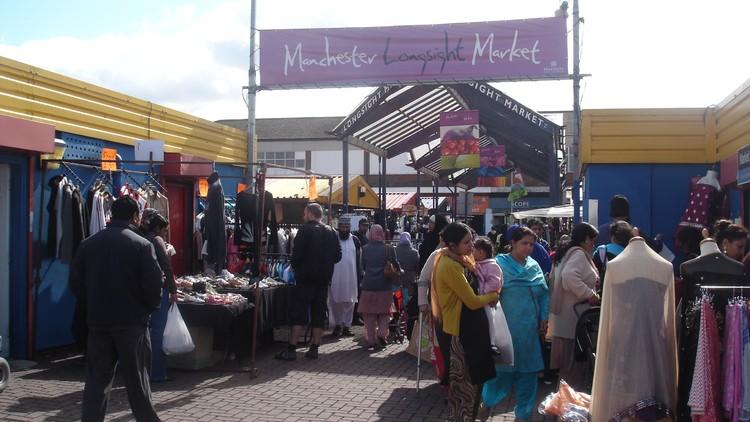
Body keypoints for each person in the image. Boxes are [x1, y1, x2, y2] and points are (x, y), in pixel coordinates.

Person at [69, 196, 163, 422]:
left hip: (98, 322)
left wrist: (92, 304)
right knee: (137, 382)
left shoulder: (88, 244)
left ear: (111, 214)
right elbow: (153, 286)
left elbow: (75, 283)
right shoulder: (142, 245)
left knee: (96, 381)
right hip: (131, 323)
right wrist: (148, 309)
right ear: (135, 216)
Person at [431, 223, 498, 421]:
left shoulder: (457, 260)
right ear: (452, 245)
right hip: (460, 332)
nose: (471, 246)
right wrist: (493, 295)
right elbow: (472, 300)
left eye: (471, 240)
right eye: (466, 242)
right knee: (464, 387)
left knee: (472, 382)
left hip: (468, 329)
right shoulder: (450, 265)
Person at [482, 227, 549, 421]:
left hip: (529, 330)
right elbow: (489, 292)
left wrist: (544, 317)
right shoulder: (499, 264)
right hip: (505, 328)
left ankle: (523, 415)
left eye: (531, 244)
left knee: (528, 376)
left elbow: (544, 293)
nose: (528, 248)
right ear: (513, 243)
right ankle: (487, 403)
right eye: (524, 243)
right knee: (501, 375)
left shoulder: (534, 266)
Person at [276, 203, 341, 361]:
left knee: (298, 314)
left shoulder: (304, 230)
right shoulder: (332, 232)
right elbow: (338, 256)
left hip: (305, 279)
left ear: (310, 214)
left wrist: (298, 268)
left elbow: (296, 255)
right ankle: (314, 347)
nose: (303, 216)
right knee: (319, 313)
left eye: (305, 213)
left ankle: (292, 348)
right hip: (323, 280)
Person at [549, 223, 600, 391]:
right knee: (573, 369)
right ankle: (566, 411)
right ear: (585, 239)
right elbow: (569, 276)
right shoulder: (578, 255)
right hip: (573, 320)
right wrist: (589, 294)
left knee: (568, 371)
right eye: (592, 239)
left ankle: (562, 408)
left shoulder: (568, 253)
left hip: (567, 319)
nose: (594, 243)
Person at [142, 213, 179, 383]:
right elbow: (166, 266)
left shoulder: (141, 238)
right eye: (165, 231)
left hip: (143, 291)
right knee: (158, 332)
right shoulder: (157, 241)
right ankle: (157, 372)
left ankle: (145, 371)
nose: (165, 234)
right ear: (158, 228)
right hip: (158, 290)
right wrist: (173, 289)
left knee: (146, 332)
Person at [360, 224, 401, 351]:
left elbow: (362, 266)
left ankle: (371, 339)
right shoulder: (389, 248)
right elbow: (396, 264)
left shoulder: (365, 248)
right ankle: (382, 334)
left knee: (369, 315)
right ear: (382, 233)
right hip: (385, 285)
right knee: (384, 313)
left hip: (368, 286)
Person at [327, 216, 361, 338]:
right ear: (339, 227)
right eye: (342, 227)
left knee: (350, 302)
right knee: (335, 302)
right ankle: (337, 325)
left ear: (350, 228)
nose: (344, 229)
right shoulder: (332, 239)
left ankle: (347, 326)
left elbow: (359, 260)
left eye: (347, 227)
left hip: (351, 277)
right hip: (335, 276)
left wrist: (360, 275)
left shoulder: (355, 240)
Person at [592, 220, 633, 287]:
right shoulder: (634, 252)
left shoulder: (602, 251)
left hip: (607, 292)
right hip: (629, 292)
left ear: (612, 237)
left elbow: (594, 276)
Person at [396, 232, 420, 338]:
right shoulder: (414, 252)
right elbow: (417, 267)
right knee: (407, 304)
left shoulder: (395, 250)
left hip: (396, 281)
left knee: (397, 304)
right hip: (409, 281)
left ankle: (395, 323)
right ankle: (406, 325)